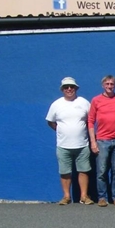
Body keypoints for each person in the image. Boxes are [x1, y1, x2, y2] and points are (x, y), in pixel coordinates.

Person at [45, 76, 92, 205]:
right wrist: (62, 131)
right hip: (63, 145)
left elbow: (91, 120)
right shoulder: (56, 104)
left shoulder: (84, 102)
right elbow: (50, 122)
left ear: (76, 88)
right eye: (66, 87)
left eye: (72, 87)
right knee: (65, 172)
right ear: (62, 89)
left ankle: (84, 196)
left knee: (83, 170)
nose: (69, 89)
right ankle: (66, 196)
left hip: (82, 144)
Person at [88, 75, 115, 206]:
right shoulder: (96, 100)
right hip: (102, 141)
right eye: (107, 84)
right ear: (103, 85)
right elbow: (91, 122)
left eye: (112, 84)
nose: (110, 86)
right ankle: (102, 197)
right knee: (102, 171)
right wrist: (93, 142)